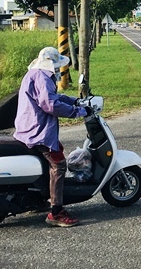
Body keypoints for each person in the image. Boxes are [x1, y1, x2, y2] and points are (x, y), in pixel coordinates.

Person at [13, 46, 88, 228]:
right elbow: (50, 104)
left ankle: (42, 198)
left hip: (28, 127)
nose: (57, 69)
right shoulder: (43, 77)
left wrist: (73, 100)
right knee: (59, 165)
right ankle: (56, 212)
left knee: (48, 160)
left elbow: (53, 97)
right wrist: (77, 111)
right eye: (56, 65)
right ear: (51, 64)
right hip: (38, 130)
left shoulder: (34, 74)